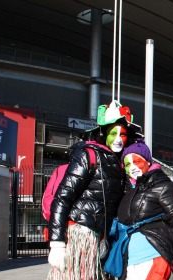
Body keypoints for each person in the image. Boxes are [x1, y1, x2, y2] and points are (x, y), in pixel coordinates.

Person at [47, 101, 142, 280]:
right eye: (113, 133)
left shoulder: (122, 163)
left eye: (122, 134)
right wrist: (57, 243)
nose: (118, 139)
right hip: (82, 236)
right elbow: (62, 198)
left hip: (104, 239)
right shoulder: (87, 155)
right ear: (103, 133)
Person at [110, 139, 173, 280]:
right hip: (130, 262)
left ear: (148, 162)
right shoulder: (130, 192)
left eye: (137, 161)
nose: (132, 167)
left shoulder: (164, 186)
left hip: (155, 258)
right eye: (128, 164)